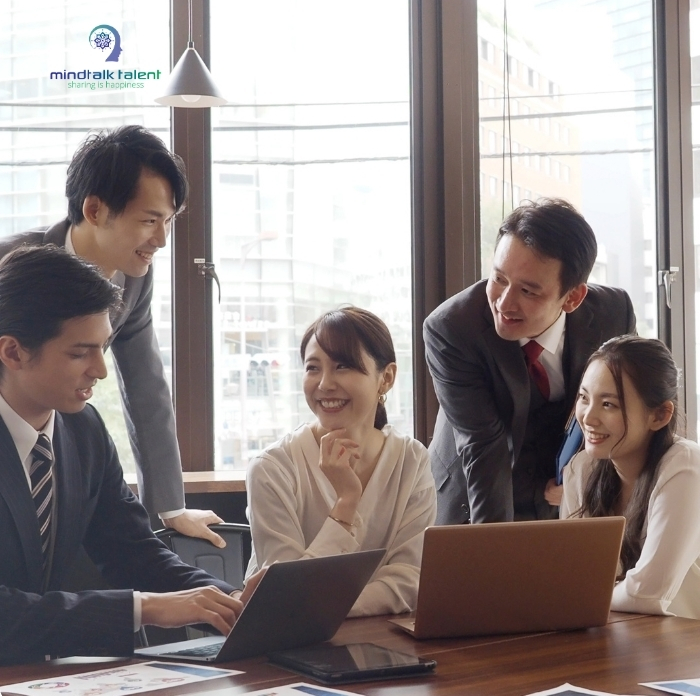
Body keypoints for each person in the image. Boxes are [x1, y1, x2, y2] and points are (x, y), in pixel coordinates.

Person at [0, 245, 259, 665]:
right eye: (79, 352)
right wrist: (144, 608)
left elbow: (133, 551)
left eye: (103, 347)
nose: (101, 369)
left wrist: (235, 603)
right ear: (12, 352)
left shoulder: (83, 430)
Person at [0, 125, 224, 546]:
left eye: (169, 221)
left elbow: (145, 385)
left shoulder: (135, 277)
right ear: (95, 210)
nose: (161, 240)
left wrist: (170, 508)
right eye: (149, 220)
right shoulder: (10, 266)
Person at [424, 198, 636, 525]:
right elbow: (484, 447)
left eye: (528, 291)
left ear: (572, 297)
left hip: (568, 495)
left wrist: (585, 477)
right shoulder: (453, 329)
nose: (504, 303)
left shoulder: (613, 314)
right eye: (499, 278)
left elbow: (628, 410)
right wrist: (492, 544)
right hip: (475, 493)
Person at [245, 307, 437, 617]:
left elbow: (411, 579)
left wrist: (328, 604)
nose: (324, 384)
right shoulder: (271, 468)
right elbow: (286, 598)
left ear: (386, 378)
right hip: (286, 641)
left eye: (343, 366)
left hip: (381, 637)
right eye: (313, 368)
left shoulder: (411, 460)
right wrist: (346, 504)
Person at [560, 335, 700, 619]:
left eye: (609, 404)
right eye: (584, 398)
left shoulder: (685, 466)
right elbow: (571, 576)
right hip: (621, 632)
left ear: (659, 416)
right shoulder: (581, 469)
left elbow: (647, 593)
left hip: (685, 638)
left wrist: (584, 596)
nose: (588, 417)